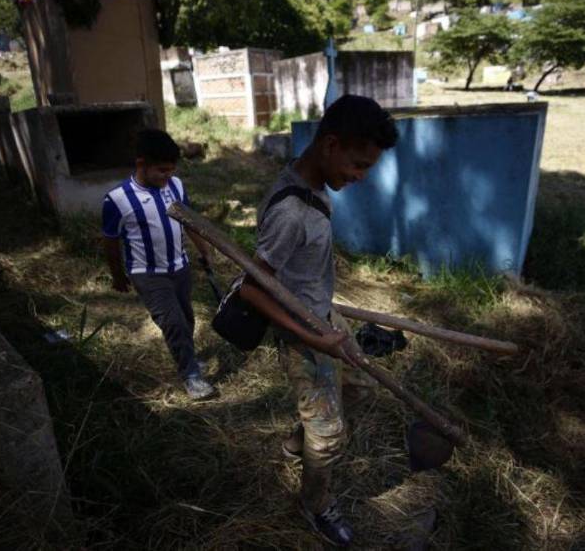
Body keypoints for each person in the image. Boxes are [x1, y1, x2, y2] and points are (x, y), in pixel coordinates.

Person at [239, 95, 399, 547]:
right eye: (358, 164)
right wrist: (314, 340)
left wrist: (328, 317)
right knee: (329, 436)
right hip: (302, 333)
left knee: (360, 386)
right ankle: (315, 504)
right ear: (331, 145)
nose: (361, 176)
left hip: (324, 316)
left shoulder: (313, 185)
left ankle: (298, 442)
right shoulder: (290, 212)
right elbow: (251, 289)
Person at [102, 128, 215, 400]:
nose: (168, 176)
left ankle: (188, 357)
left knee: (186, 318)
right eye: (162, 170)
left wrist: (205, 250)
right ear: (142, 163)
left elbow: (189, 221)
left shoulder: (175, 186)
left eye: (171, 170)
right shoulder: (117, 199)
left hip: (180, 267)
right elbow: (110, 242)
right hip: (148, 274)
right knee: (173, 322)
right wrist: (118, 275)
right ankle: (191, 376)